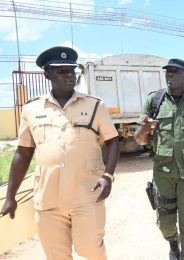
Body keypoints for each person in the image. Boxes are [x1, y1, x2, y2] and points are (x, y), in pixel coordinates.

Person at [0, 46, 120, 260]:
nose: (68, 75)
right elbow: (23, 153)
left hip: (86, 195)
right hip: (48, 200)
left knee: (91, 250)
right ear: (46, 74)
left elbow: (112, 141)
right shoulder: (31, 109)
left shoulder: (94, 106)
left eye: (71, 70)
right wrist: (10, 196)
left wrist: (108, 176)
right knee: (56, 255)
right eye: (61, 71)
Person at [134, 58, 184, 260]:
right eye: (168, 71)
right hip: (163, 175)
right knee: (165, 224)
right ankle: (173, 243)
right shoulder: (154, 100)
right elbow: (139, 139)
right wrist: (144, 129)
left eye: (175, 71)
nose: (170, 74)